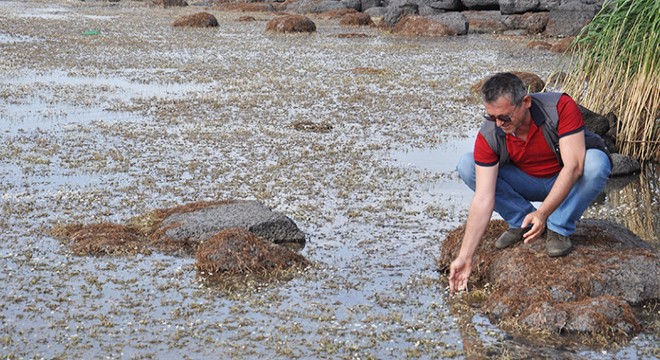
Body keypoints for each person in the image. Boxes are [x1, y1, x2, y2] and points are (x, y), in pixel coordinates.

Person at [448, 72, 611, 293]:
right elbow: (484, 197)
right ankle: (522, 222)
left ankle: (558, 227)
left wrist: (543, 213)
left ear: (525, 102)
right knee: (467, 165)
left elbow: (574, 167)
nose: (498, 124)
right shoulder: (490, 133)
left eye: (504, 117)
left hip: (565, 178)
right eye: (491, 117)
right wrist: (464, 257)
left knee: (596, 163)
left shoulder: (559, 107)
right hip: (524, 181)